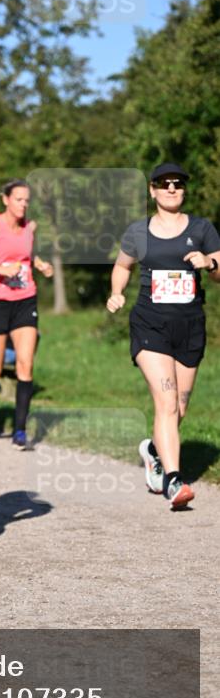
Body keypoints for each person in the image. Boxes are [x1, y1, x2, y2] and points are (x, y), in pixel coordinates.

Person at [107, 162, 220, 511]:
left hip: (189, 327)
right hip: (149, 325)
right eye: (164, 183)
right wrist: (117, 292)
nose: (172, 188)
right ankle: (174, 480)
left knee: (180, 407)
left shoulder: (202, 229)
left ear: (184, 190)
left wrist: (209, 264)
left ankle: (153, 450)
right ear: (152, 190)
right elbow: (123, 265)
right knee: (167, 404)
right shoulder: (138, 232)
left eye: (178, 184)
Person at [0, 178, 53, 447]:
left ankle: (19, 431)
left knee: (25, 365)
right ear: (6, 199)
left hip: (25, 300)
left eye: (27, 200)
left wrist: (39, 264)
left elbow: (26, 255)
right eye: (18, 199)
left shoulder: (30, 227)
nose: (24, 205)